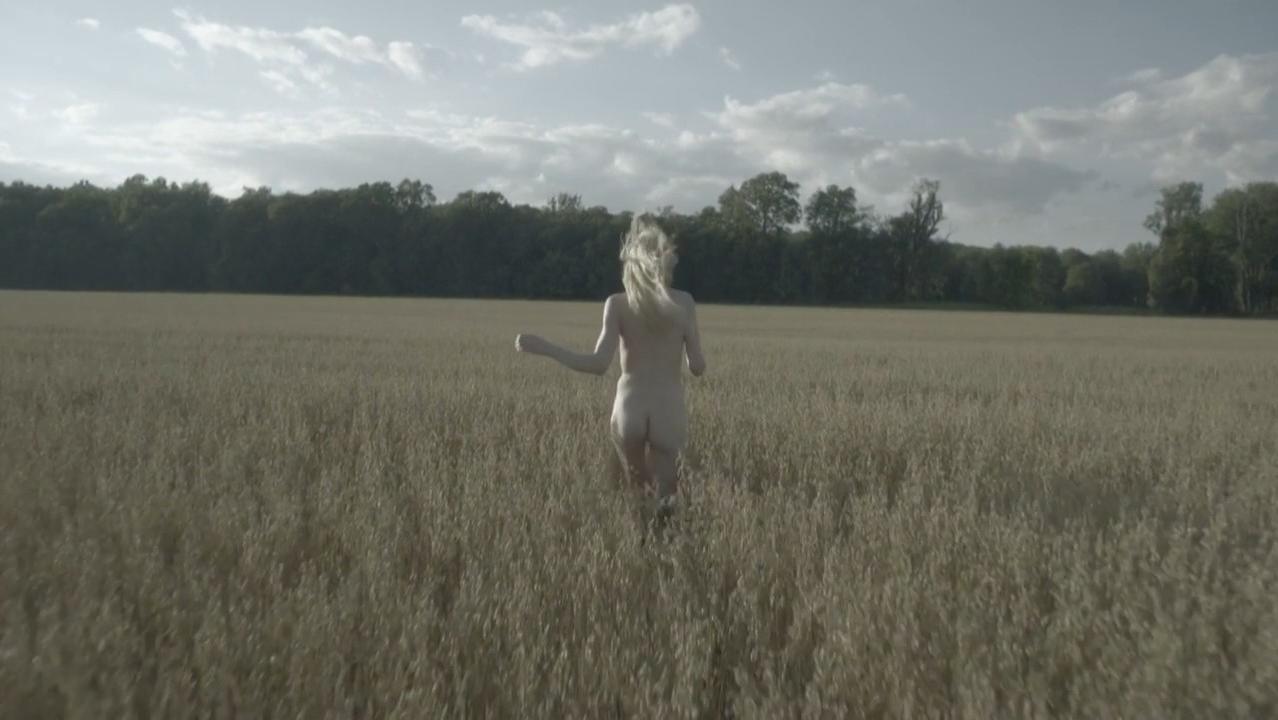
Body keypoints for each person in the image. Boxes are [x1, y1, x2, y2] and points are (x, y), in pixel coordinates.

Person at [515, 214, 706, 523]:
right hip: (668, 407)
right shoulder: (684, 302)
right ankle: (666, 545)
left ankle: (640, 543)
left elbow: (598, 364)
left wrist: (547, 348)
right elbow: (697, 366)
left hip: (629, 406)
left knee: (638, 498)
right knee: (667, 502)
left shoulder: (616, 304)